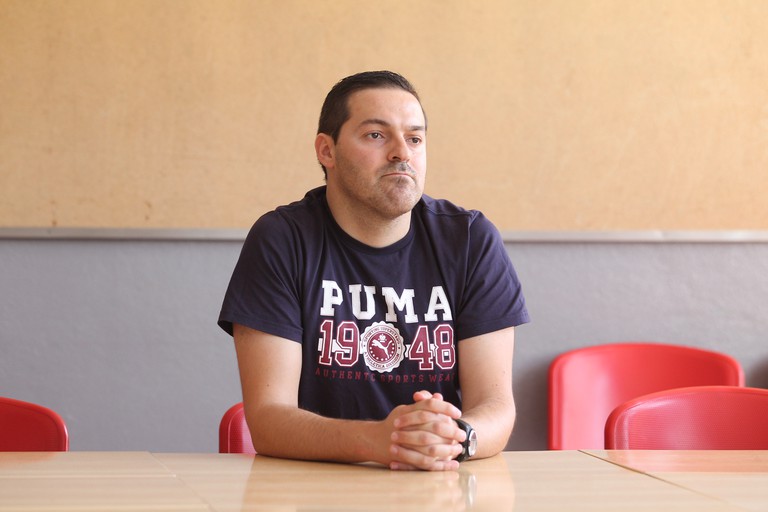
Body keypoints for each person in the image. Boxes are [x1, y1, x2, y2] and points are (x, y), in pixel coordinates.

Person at [218, 70, 529, 471]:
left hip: (438, 481)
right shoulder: (282, 239)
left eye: (414, 139)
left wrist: (451, 438)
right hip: (315, 486)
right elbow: (268, 420)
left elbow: (496, 407)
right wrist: (380, 440)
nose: (402, 153)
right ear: (326, 151)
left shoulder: (470, 240)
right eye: (376, 135)